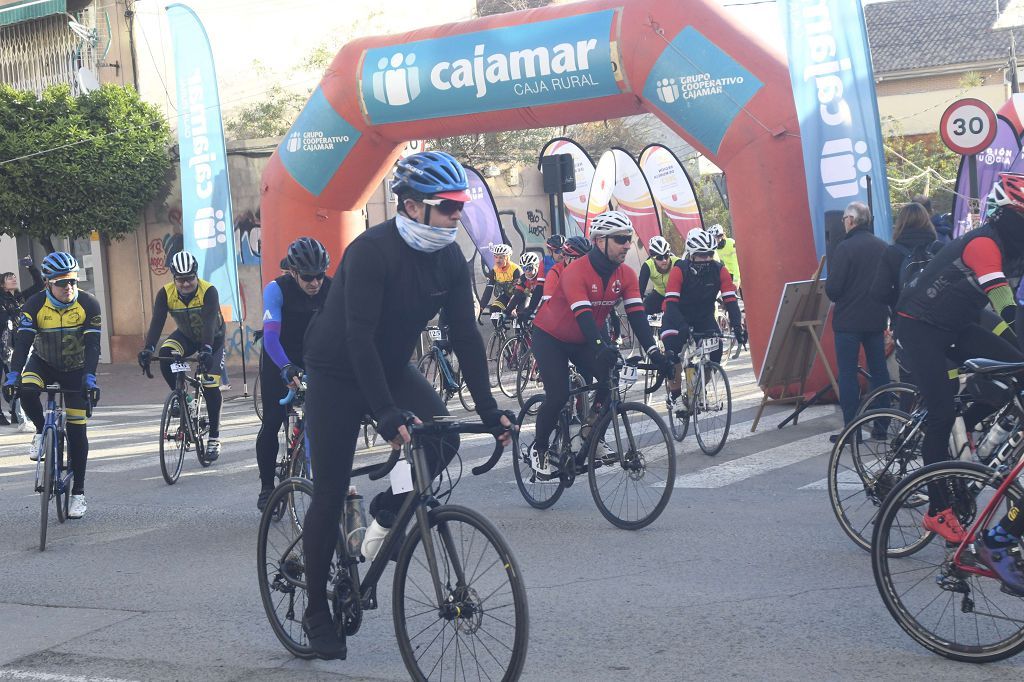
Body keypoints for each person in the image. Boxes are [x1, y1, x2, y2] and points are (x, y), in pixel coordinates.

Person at [299, 150, 513, 660]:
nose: (458, 215)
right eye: (449, 207)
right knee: (328, 493)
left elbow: (464, 334)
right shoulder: (371, 252)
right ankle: (315, 610)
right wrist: (386, 413)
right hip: (336, 369)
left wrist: (488, 408)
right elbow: (358, 337)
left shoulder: (448, 260)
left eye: (462, 206)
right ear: (414, 207)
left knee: (440, 438)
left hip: (389, 365)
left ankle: (389, 509)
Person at [895, 172, 1024, 554]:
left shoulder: (1015, 245)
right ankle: (938, 508)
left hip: (955, 323)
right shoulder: (984, 243)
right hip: (918, 326)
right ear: (1006, 215)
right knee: (941, 408)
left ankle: (965, 437)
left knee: (1017, 369)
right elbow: (1003, 303)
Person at [528, 210, 669, 472]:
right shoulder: (576, 272)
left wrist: (655, 353)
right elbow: (583, 316)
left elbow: (637, 316)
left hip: (583, 337)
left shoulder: (626, 274)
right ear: (599, 240)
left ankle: (591, 430)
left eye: (628, 238)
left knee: (611, 376)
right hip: (551, 336)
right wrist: (599, 347)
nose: (627, 244)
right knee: (558, 395)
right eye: (620, 239)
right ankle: (540, 448)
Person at [2, 252, 101, 519]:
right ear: (47, 283)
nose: (68, 287)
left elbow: (93, 346)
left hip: (76, 368)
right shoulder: (34, 305)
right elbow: (22, 345)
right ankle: (39, 430)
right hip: (43, 362)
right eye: (60, 282)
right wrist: (12, 376)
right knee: (26, 389)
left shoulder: (89, 304)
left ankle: (78, 493)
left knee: (78, 430)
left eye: (71, 281)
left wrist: (90, 378)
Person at [254, 237, 331, 511]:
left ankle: (318, 481)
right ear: (294, 272)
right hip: (279, 358)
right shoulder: (277, 289)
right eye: (308, 277)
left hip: (313, 358)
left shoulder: (331, 289)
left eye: (319, 276)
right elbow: (271, 338)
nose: (315, 283)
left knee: (323, 419)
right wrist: (285, 366)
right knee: (273, 422)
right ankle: (267, 487)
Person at [137, 251, 226, 462]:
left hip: (212, 339)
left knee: (210, 383)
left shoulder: (208, 291)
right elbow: (157, 322)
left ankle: (214, 438)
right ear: (173, 278)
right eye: (181, 280)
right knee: (165, 354)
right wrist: (148, 348)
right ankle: (183, 397)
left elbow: (209, 322)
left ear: (196, 275)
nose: (186, 284)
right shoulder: (165, 293)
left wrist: (206, 350)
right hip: (186, 336)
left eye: (190, 279)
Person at [824, 202, 891, 442]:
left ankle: (852, 431)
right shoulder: (883, 247)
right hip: (876, 319)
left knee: (848, 374)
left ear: (851, 220)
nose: (842, 222)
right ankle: (882, 425)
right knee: (879, 371)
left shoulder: (845, 248)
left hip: (849, 322)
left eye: (844, 219)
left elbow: (833, 289)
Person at [660, 228, 743, 413]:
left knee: (716, 351)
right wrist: (682, 327)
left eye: (709, 255)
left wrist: (737, 326)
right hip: (676, 315)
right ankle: (675, 398)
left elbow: (730, 300)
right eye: (701, 255)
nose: (706, 259)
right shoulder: (679, 269)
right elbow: (671, 303)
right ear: (691, 254)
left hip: (703, 316)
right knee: (673, 352)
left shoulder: (718, 269)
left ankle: (696, 386)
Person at [0, 257, 44, 426]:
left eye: (14, 277)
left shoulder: (20, 298)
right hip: (3, 344)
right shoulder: (2, 300)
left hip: (17, 344)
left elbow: (40, 285)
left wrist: (31, 267)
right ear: (2, 284)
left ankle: (16, 413)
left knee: (16, 377)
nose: (13, 279)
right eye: (9, 277)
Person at [637, 235, 679, 315]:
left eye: (666, 256)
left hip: (678, 295)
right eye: (659, 258)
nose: (664, 261)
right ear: (652, 258)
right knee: (644, 308)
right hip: (660, 294)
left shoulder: (677, 262)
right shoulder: (647, 265)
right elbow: (640, 290)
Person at [479, 243, 521, 317]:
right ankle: (500, 328)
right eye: (496, 257)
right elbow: (488, 290)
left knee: (517, 319)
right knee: (494, 310)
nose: (498, 260)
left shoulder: (516, 270)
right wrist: (481, 308)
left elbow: (518, 291)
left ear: (508, 257)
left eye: (501, 257)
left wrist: (513, 307)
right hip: (507, 296)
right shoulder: (494, 270)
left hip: (520, 296)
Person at [505, 251, 543, 319]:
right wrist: (507, 311)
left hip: (543, 299)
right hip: (532, 298)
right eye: (524, 268)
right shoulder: (523, 279)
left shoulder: (542, 277)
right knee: (522, 298)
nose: (527, 271)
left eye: (530, 268)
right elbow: (516, 296)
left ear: (537, 266)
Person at [709, 224, 742, 296]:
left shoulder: (731, 243)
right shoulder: (714, 249)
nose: (715, 241)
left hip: (736, 273)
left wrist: (736, 280)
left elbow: (737, 263)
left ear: (721, 236)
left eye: (716, 238)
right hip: (725, 275)